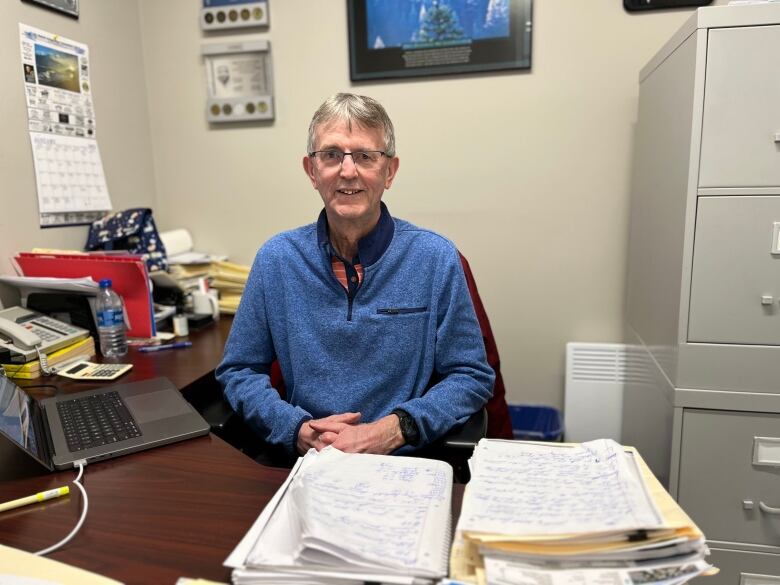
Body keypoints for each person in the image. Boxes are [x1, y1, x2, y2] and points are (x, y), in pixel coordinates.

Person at [216, 93, 494, 460]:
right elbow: (239, 370)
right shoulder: (276, 259)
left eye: (365, 156)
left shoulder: (434, 258)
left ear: (389, 171)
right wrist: (296, 429)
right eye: (331, 155)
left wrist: (390, 431)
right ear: (311, 171)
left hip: (401, 461)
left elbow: (471, 376)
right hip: (304, 463)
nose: (348, 171)